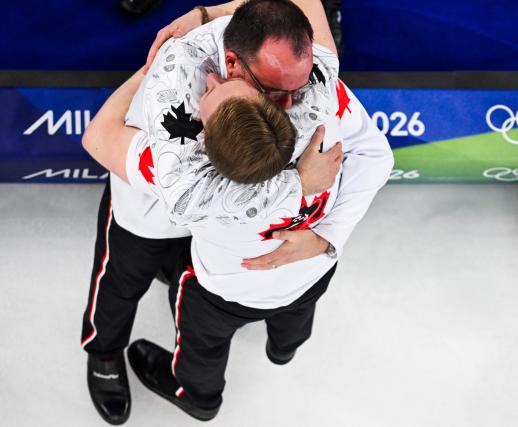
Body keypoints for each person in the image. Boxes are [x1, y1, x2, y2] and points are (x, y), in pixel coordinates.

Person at [81, 0, 392, 423]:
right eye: (276, 89)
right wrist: (155, 63)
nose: (291, 103)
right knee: (121, 280)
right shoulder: (181, 169)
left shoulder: (310, 90)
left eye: (294, 89)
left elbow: (97, 137)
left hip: (214, 243)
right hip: (150, 211)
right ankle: (104, 352)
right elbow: (103, 140)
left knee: (186, 286)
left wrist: (207, 13)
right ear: (231, 65)